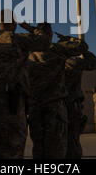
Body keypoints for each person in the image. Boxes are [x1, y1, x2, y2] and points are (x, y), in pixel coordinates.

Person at [0, 10, 50, 159]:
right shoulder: (16, 39)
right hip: (10, 103)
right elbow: (44, 41)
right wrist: (30, 27)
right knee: (12, 147)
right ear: (14, 23)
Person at [26, 24, 88, 159]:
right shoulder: (57, 49)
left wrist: (33, 32)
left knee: (38, 147)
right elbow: (83, 46)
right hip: (54, 107)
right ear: (50, 34)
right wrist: (67, 39)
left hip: (34, 106)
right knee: (56, 147)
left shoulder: (29, 52)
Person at [63, 41, 96, 158]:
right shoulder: (72, 62)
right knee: (72, 142)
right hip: (71, 107)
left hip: (51, 107)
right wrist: (78, 46)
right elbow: (95, 63)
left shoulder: (47, 60)